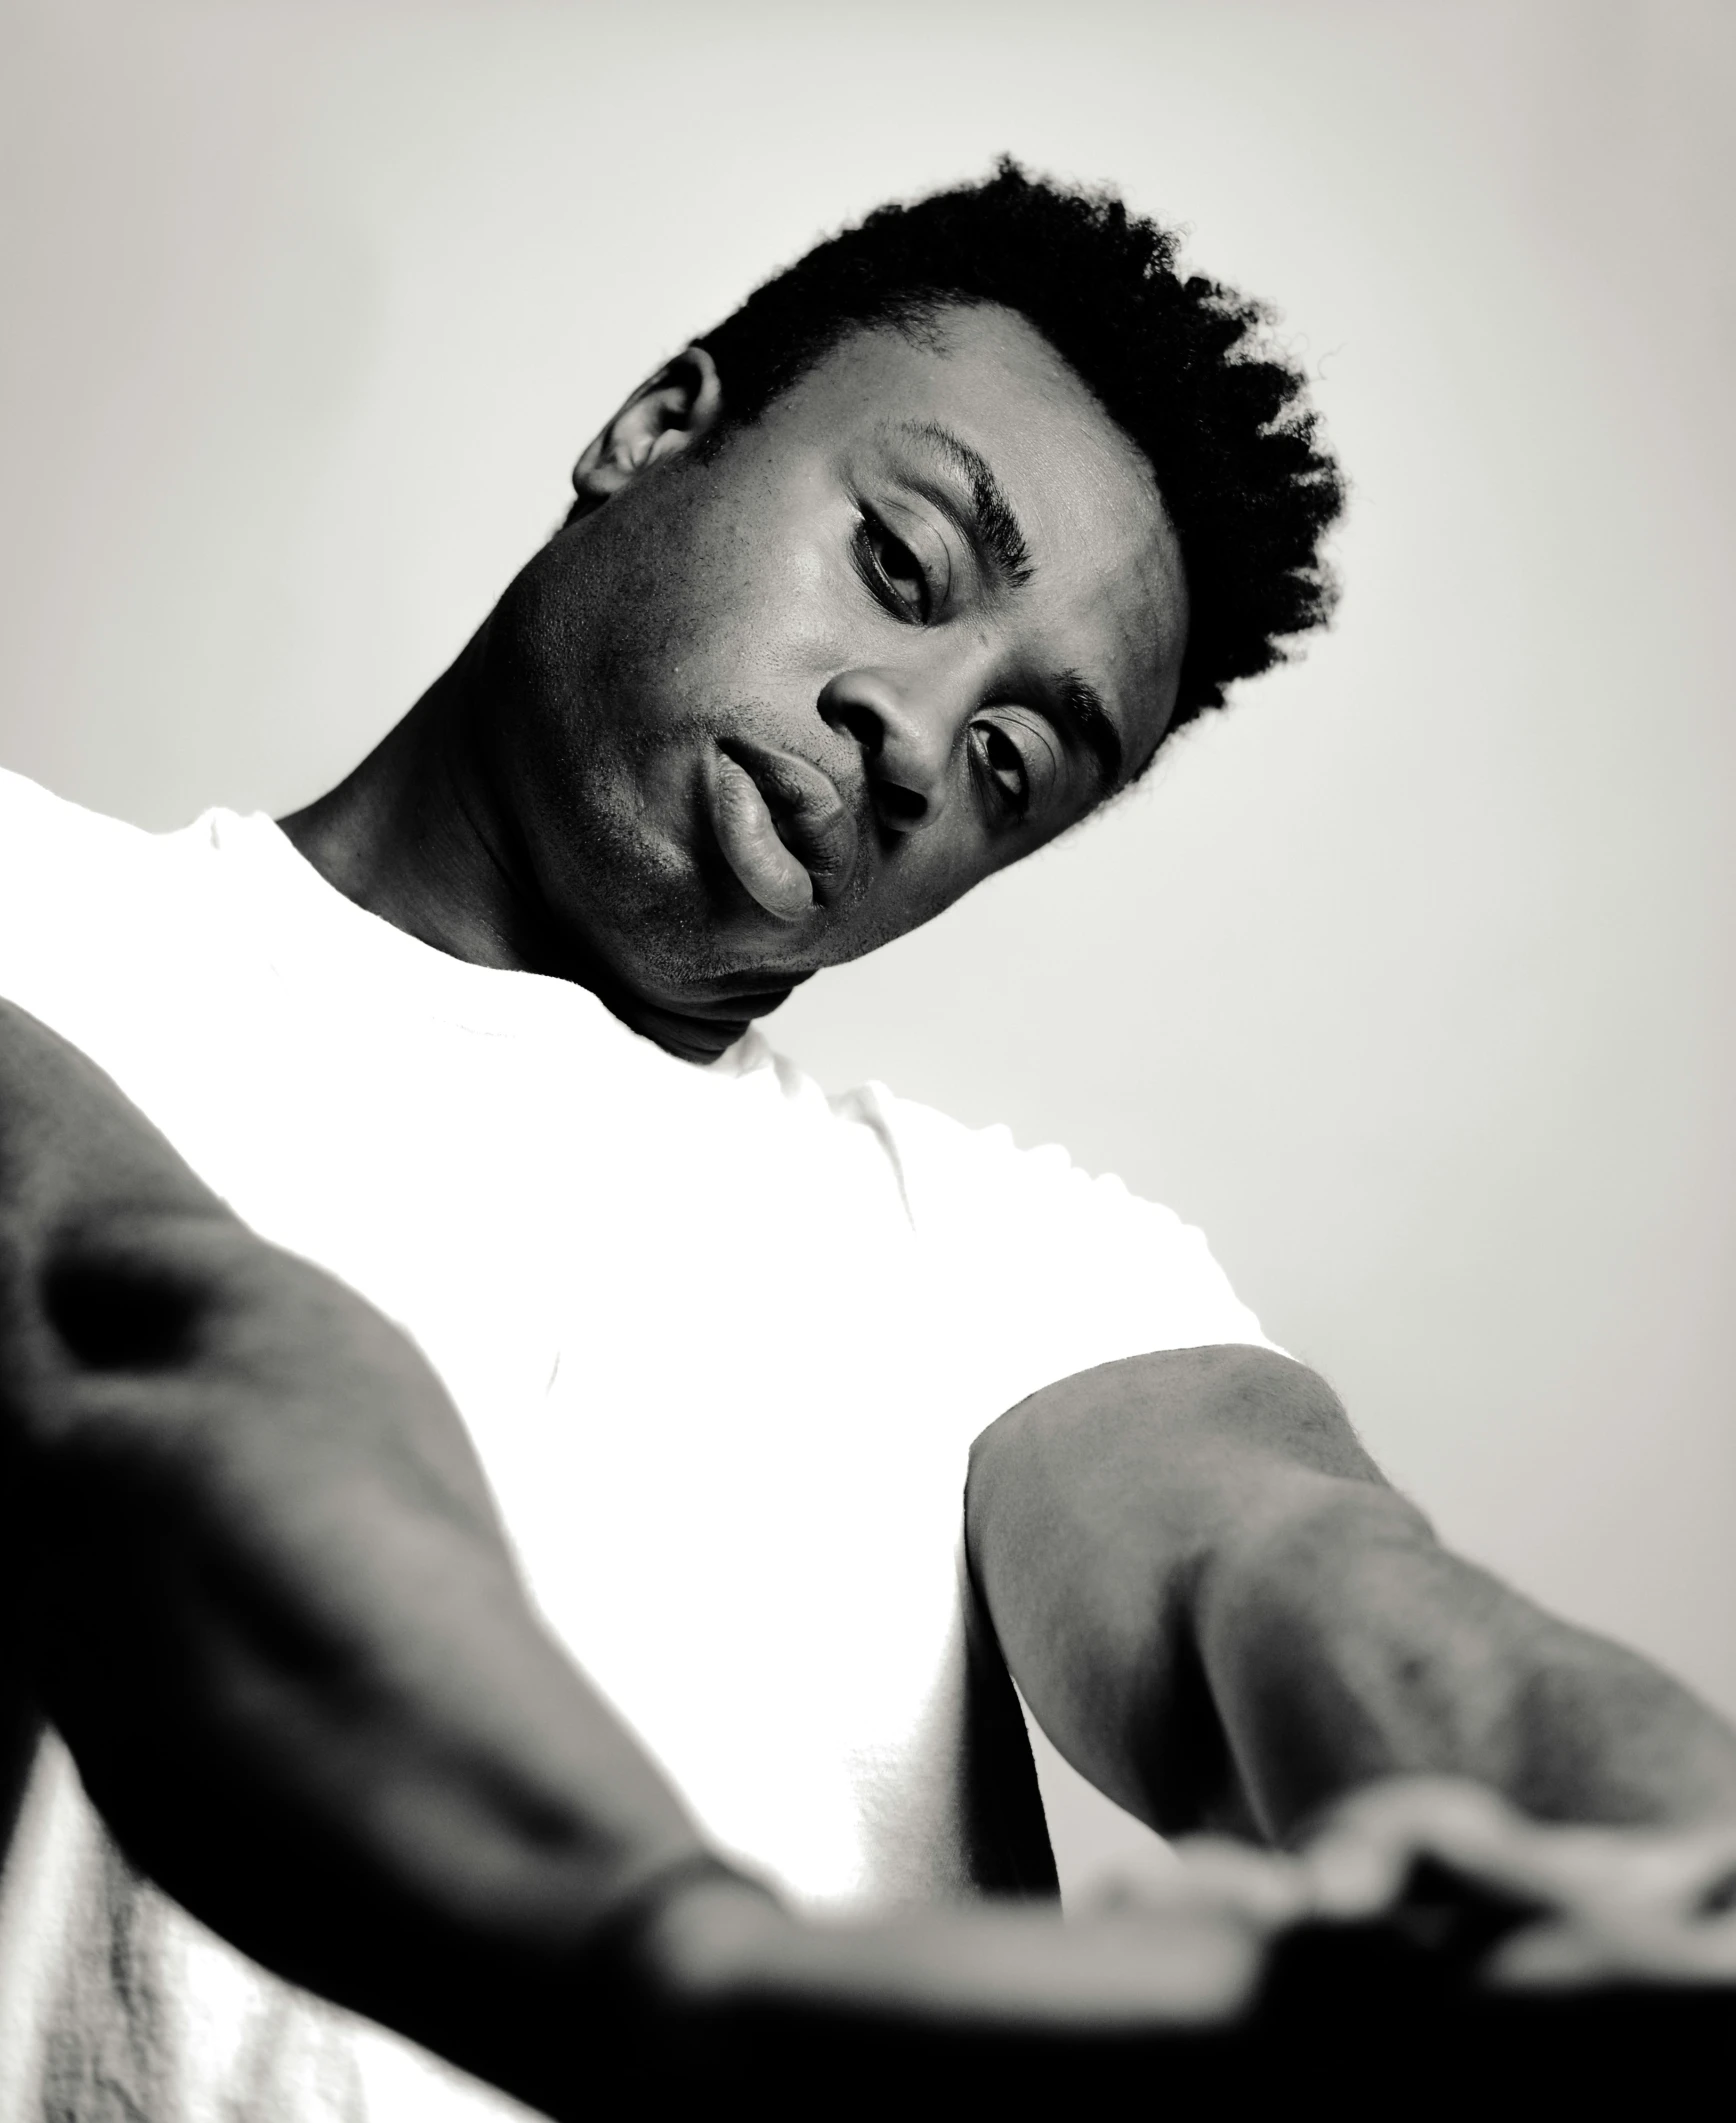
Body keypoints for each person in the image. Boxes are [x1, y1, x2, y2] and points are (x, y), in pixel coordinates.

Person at [2, 160, 1734, 2118]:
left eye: (1013, 760)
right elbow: (132, 1326)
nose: (913, 736)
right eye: (904, 565)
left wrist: (1667, 1870)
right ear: (655, 426)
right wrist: (675, 1963)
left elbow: (1286, 1568)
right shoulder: (33, 913)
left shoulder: (1019, 1262)